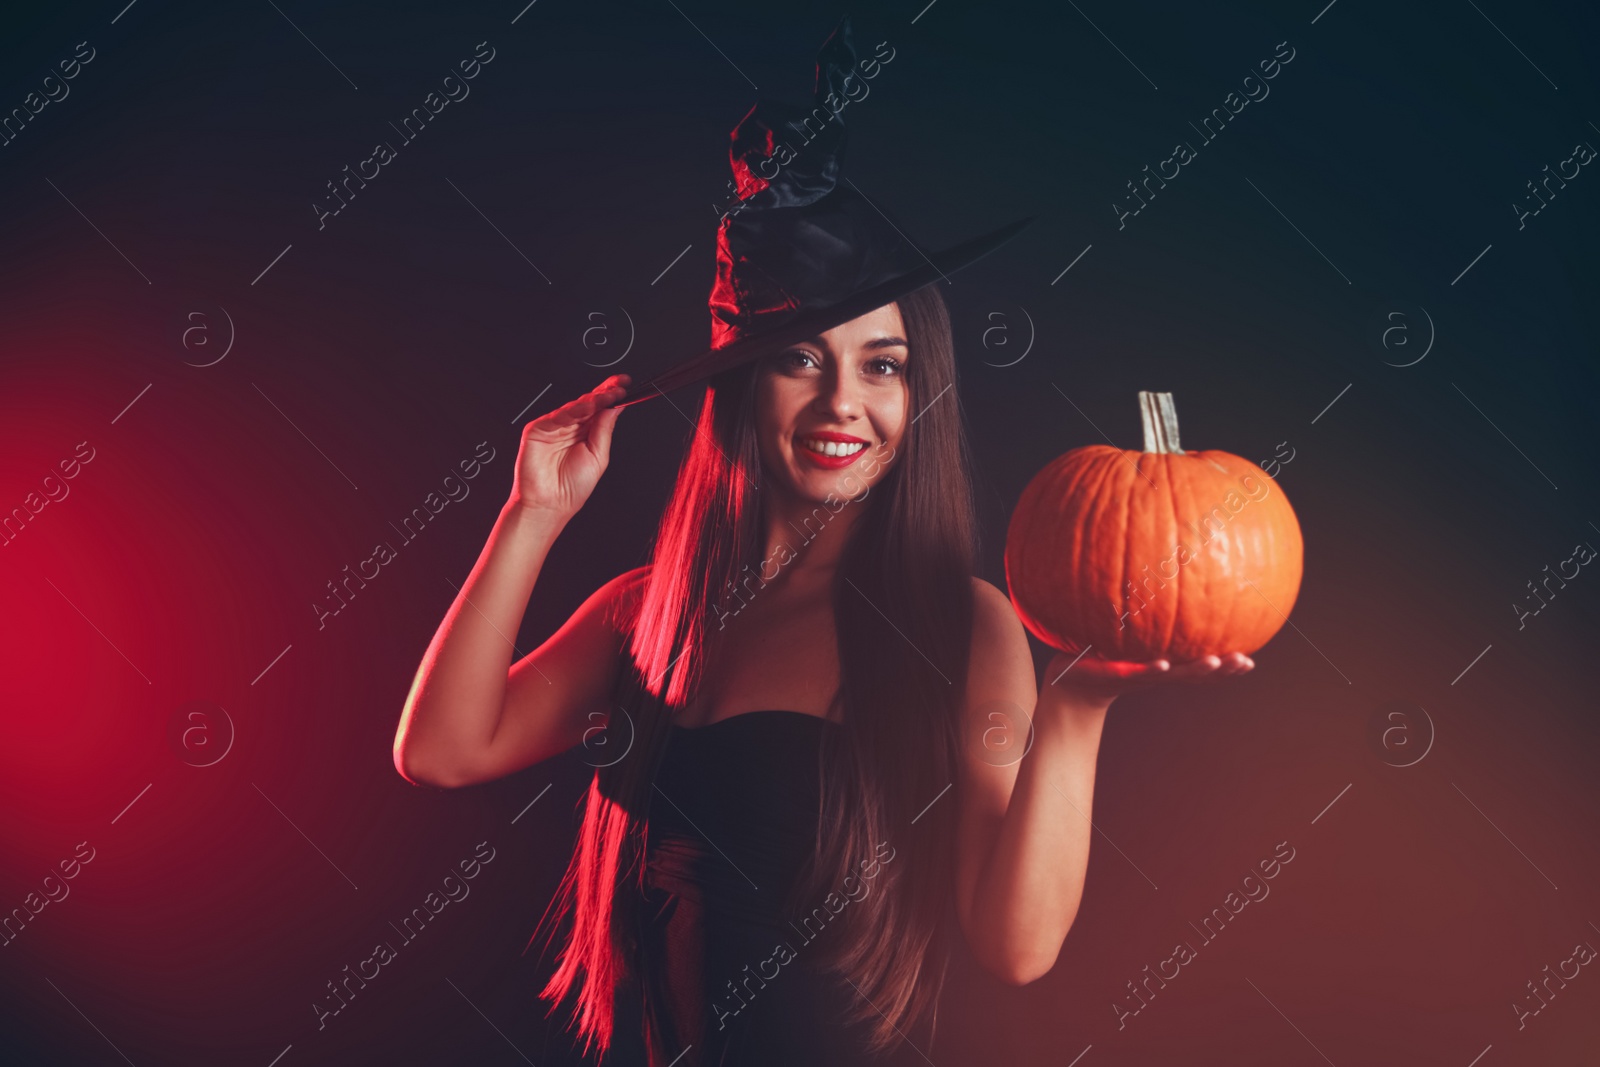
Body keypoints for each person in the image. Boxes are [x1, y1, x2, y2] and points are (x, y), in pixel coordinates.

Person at [392, 16, 1254, 1066]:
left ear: (918, 386)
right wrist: (533, 512)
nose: (844, 400)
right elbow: (438, 749)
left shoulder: (959, 624)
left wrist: (1078, 706)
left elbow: (1014, 944)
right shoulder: (647, 613)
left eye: (883, 365)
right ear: (742, 384)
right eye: (802, 358)